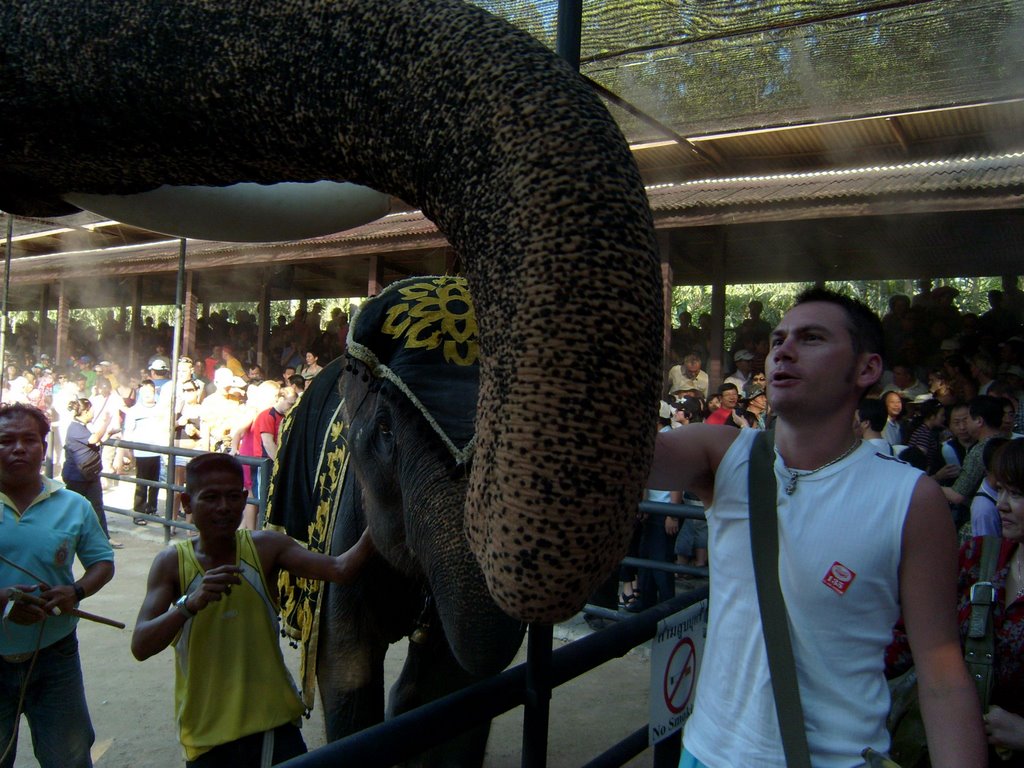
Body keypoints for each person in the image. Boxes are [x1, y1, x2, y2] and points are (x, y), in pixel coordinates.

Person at [650, 288, 985, 767]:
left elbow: (943, 674)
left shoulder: (910, 499)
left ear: (867, 369)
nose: (782, 350)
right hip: (708, 753)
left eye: (811, 338)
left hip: (838, 758)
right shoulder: (724, 454)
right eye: (778, 339)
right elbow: (615, 454)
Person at [131, 453, 376, 767]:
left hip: (273, 727)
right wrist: (190, 604)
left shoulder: (265, 548)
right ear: (186, 502)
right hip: (208, 736)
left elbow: (341, 569)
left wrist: (380, 517)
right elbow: (140, 644)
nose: (224, 507)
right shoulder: (171, 563)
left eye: (233, 496)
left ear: (245, 499)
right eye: (211, 497)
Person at [889, 439, 1024, 764]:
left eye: (1017, 494)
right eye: (1001, 491)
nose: (1002, 505)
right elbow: (902, 641)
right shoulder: (977, 558)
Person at [0, 403, 115, 768]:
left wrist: (76, 591)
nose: (18, 448)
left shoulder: (74, 505)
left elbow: (102, 563)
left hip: (55, 654)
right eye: (5, 440)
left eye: (28, 439)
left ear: (44, 445)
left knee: (68, 758)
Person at [63, 398, 122, 549]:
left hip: (89, 473)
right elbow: (94, 438)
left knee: (97, 507)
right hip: (77, 475)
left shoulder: (83, 426)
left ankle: (104, 538)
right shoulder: (75, 427)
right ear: (85, 411)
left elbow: (96, 442)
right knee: (72, 508)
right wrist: (106, 422)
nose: (93, 412)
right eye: (91, 409)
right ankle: (65, 537)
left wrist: (108, 433)